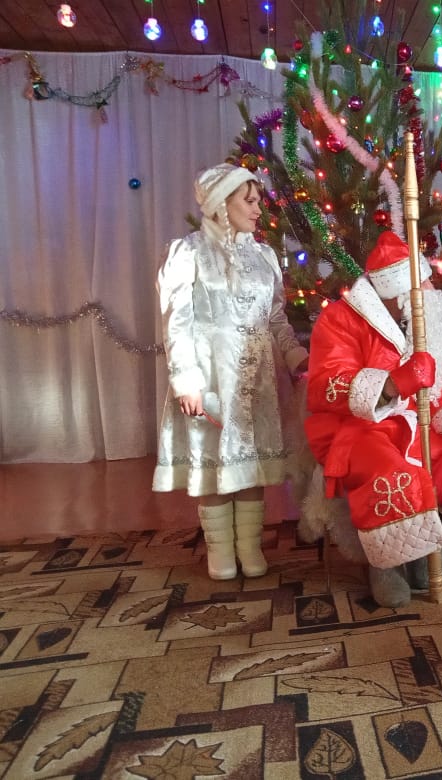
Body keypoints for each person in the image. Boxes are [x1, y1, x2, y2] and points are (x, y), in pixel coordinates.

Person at [304, 231, 442, 607]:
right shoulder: (340, 319)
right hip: (356, 426)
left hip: (414, 419)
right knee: (389, 467)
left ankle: (437, 560)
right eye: (424, 285)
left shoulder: (422, 320)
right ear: (399, 293)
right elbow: (323, 386)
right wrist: (392, 384)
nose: (432, 291)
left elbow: (438, 383)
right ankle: (386, 566)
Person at [152, 163, 308, 581]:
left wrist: (295, 356)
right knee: (213, 464)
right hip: (211, 376)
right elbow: (176, 322)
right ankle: (220, 550)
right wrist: (186, 380)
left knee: (250, 463)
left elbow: (275, 318)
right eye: (249, 201)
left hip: (257, 378)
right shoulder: (188, 253)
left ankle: (249, 546)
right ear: (222, 202)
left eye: (259, 201)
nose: (258, 209)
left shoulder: (264, 256)